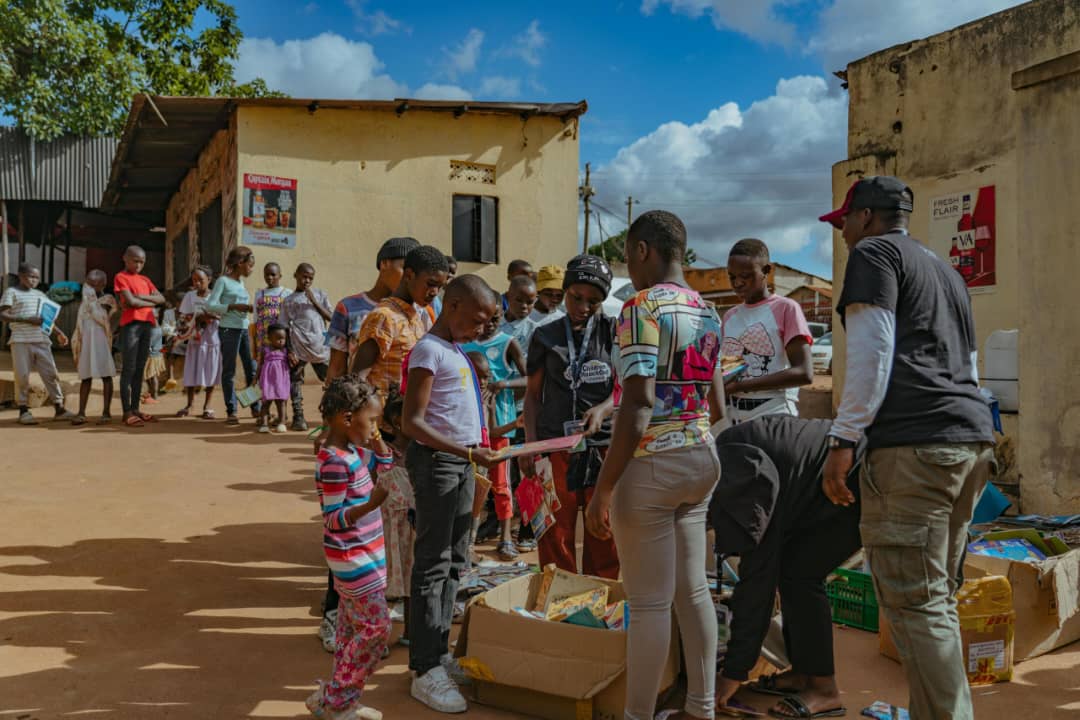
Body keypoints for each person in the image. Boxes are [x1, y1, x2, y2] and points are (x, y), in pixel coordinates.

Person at [820, 176, 994, 720]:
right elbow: (968, 364)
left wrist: (843, 439)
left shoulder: (873, 254)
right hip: (968, 439)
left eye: (845, 221)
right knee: (934, 598)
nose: (843, 233)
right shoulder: (944, 269)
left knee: (917, 604)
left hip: (915, 446)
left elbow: (873, 354)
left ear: (867, 216)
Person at [585, 210, 725, 720]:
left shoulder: (640, 307)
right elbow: (718, 408)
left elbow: (638, 406)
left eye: (629, 255)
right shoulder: (710, 311)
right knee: (693, 591)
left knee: (647, 604)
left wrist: (604, 490)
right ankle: (700, 707)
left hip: (652, 465)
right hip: (701, 456)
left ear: (643, 250)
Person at [712, 417, 863, 719]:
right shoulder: (723, 454)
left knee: (801, 573)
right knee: (795, 571)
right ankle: (806, 672)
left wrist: (734, 672)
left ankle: (824, 690)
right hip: (829, 473)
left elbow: (758, 577)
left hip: (849, 478)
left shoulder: (740, 480)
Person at [402, 274, 499, 714]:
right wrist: (466, 451)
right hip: (439, 465)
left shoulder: (457, 351)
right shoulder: (428, 350)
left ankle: (439, 653)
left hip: (462, 465)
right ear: (453, 305)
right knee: (433, 563)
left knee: (456, 559)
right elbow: (413, 423)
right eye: (478, 319)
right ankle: (424, 668)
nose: (483, 329)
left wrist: (475, 452)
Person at [521, 255, 620, 578]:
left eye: (593, 301)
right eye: (575, 297)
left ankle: (599, 605)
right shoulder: (545, 336)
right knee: (554, 533)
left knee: (603, 529)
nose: (582, 306)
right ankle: (558, 602)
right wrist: (531, 446)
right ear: (564, 292)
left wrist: (603, 408)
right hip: (555, 447)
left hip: (603, 446)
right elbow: (533, 396)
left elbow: (626, 388)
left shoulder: (614, 332)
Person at [305, 375, 392, 720]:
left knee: (349, 632)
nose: (375, 428)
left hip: (364, 557)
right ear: (345, 418)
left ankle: (340, 699)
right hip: (353, 561)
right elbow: (334, 517)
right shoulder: (335, 462)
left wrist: (380, 446)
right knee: (376, 630)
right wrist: (371, 504)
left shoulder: (354, 452)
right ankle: (338, 699)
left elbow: (384, 470)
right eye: (371, 421)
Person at [722, 238, 814, 422]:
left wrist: (740, 386)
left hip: (774, 410)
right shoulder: (729, 317)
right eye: (732, 277)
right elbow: (727, 368)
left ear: (766, 271)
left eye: (745, 276)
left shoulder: (786, 308)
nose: (738, 283)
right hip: (733, 415)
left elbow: (804, 373)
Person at [464, 299, 527, 560]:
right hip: (468, 424)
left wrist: (504, 386)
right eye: (485, 317)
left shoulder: (507, 342)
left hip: (500, 422)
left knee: (501, 483)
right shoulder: (464, 341)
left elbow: (529, 378)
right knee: (473, 485)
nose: (490, 323)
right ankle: (468, 538)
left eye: (496, 317)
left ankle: (505, 537)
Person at [350, 245, 449, 399]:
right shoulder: (384, 317)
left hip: (403, 417)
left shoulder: (415, 316)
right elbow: (356, 380)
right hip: (381, 417)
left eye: (440, 287)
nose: (435, 293)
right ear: (409, 275)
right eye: (431, 284)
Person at [326, 237, 419, 385]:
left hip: (406, 405)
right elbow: (336, 369)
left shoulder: (419, 312)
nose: (409, 279)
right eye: (404, 269)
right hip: (364, 402)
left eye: (415, 274)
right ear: (384, 264)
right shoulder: (348, 308)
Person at [0, 262, 76, 425]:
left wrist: (59, 333)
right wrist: (26, 319)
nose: (34, 280)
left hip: (41, 339)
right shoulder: (11, 292)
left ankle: (59, 407)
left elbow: (47, 319)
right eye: (31, 276)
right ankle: (23, 410)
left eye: (37, 278)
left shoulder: (40, 295)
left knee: (51, 373)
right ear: (20, 276)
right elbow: (3, 314)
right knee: (22, 375)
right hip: (20, 340)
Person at [379, 386, 415, 648]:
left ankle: (411, 632)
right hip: (390, 530)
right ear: (396, 423)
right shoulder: (385, 455)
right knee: (383, 585)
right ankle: (377, 637)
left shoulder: (422, 454)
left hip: (414, 529)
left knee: (414, 584)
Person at [113, 246, 165, 427]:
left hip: (147, 326)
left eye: (142, 262)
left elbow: (162, 299)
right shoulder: (121, 277)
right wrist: (147, 301)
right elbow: (130, 302)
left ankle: (135, 408)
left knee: (140, 368)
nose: (139, 265)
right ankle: (126, 411)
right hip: (131, 326)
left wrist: (139, 298)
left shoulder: (145, 279)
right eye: (135, 260)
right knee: (129, 368)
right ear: (125, 259)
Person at [207, 246, 259, 426]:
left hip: (244, 329)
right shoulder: (223, 281)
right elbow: (210, 305)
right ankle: (232, 410)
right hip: (228, 330)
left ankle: (255, 406)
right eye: (250, 265)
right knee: (229, 371)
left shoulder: (241, 283)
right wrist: (232, 307)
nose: (251, 269)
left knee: (251, 369)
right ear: (240, 263)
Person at [280, 263, 332, 431]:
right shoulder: (288, 301)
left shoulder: (320, 294)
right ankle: (298, 416)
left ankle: (331, 416)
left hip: (319, 347)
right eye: (304, 276)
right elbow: (284, 328)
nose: (307, 280)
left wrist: (314, 301)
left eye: (310, 278)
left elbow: (331, 317)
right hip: (298, 347)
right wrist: (290, 350)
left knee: (331, 380)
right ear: (295, 275)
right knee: (295, 381)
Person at [71, 269, 117, 426]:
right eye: (89, 283)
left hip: (102, 342)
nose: (90, 287)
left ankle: (106, 412)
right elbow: (80, 323)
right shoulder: (85, 303)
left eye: (95, 285)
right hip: (86, 343)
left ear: (103, 284)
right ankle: (81, 412)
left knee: (106, 376)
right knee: (86, 377)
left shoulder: (108, 300)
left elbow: (111, 320)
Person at [177, 265, 222, 420]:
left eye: (200, 280)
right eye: (194, 280)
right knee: (191, 371)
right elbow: (184, 316)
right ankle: (189, 405)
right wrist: (199, 317)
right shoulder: (190, 296)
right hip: (195, 340)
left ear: (209, 280)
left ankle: (207, 406)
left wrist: (206, 316)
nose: (197, 283)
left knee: (211, 371)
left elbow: (221, 314)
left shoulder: (216, 296)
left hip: (212, 340)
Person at [253, 262, 291, 364]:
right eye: (267, 274)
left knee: (280, 363)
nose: (270, 277)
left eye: (273, 275)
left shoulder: (287, 293)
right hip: (263, 337)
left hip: (280, 338)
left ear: (280, 276)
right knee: (264, 364)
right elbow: (256, 318)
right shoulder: (259, 294)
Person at [257, 324, 292, 434]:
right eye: (278, 338)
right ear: (269, 338)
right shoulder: (265, 350)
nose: (281, 341)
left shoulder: (286, 351)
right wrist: (255, 378)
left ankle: (281, 423)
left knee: (281, 402)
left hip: (281, 381)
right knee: (266, 403)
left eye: (283, 339)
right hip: (268, 381)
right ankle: (264, 424)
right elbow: (260, 365)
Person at [142, 311, 167, 404]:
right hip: (157, 355)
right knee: (151, 376)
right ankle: (152, 394)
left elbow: (148, 344)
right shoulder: (159, 329)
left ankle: (154, 395)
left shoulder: (152, 330)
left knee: (152, 376)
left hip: (151, 356)